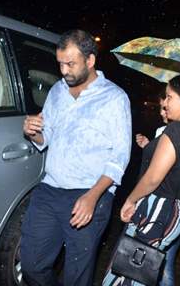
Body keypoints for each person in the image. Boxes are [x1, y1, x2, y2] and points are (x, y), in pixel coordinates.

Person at [21, 29, 132, 286]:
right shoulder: (57, 92)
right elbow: (45, 138)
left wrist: (92, 197)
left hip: (90, 194)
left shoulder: (115, 98)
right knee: (31, 265)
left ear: (90, 60)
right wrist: (33, 133)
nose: (64, 70)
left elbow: (120, 157)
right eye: (60, 63)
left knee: (76, 276)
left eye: (71, 63)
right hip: (49, 190)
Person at [103, 71, 180, 286]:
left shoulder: (176, 130)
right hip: (177, 210)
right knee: (143, 271)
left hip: (156, 208)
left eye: (170, 97)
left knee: (127, 274)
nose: (166, 102)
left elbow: (153, 178)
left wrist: (131, 200)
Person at [135, 90, 180, 286]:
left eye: (166, 107)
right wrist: (148, 146)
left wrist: (131, 199)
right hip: (152, 202)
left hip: (169, 207)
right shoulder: (161, 132)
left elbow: (162, 174)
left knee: (163, 264)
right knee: (141, 258)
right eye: (160, 108)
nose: (162, 112)